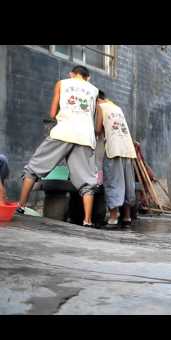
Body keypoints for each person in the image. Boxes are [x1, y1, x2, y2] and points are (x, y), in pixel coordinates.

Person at [17, 66, 99, 227]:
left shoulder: (62, 83)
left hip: (63, 132)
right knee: (87, 181)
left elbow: (52, 113)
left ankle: (21, 206)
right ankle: (87, 220)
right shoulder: (94, 90)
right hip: (85, 137)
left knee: (34, 168)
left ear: (71, 74)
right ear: (88, 78)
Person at [95, 90, 137, 230]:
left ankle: (113, 218)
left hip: (113, 149)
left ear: (97, 100)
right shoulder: (117, 107)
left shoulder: (100, 107)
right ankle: (126, 217)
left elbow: (97, 129)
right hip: (127, 149)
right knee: (126, 183)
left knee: (113, 182)